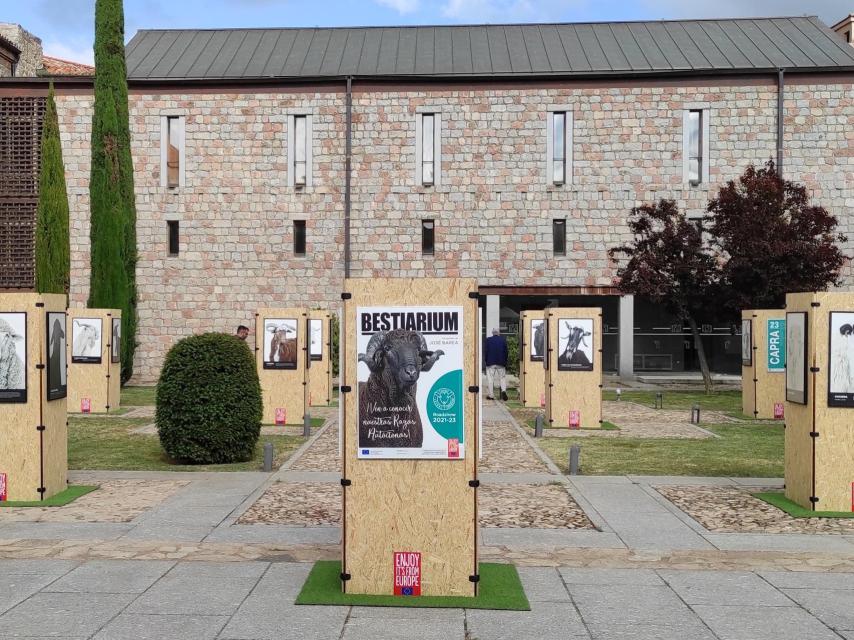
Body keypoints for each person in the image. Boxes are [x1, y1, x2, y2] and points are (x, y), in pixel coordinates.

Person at [484, 328, 508, 401]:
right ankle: (503, 390)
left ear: (492, 333)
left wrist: (486, 361)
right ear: (499, 333)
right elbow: (506, 352)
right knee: (502, 378)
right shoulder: (503, 340)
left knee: (490, 379)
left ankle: (491, 395)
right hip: (501, 363)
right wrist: (505, 361)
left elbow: (486, 351)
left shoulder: (488, 340)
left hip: (490, 363)